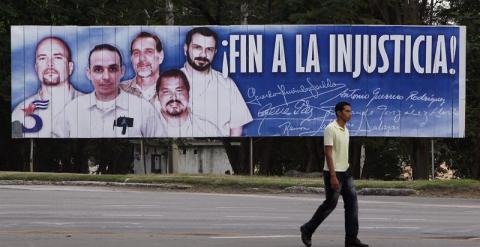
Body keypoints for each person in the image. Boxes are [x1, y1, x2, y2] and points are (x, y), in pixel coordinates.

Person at [53, 44, 163, 138]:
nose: (106, 77)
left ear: (122, 71)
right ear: (88, 73)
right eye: (98, 69)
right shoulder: (72, 110)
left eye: (112, 69)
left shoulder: (144, 110)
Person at [300, 102, 369, 247]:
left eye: (350, 111)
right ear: (339, 112)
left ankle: (351, 239)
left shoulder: (345, 129)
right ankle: (307, 229)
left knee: (352, 204)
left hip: (346, 172)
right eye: (347, 111)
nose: (350, 113)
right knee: (330, 204)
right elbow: (328, 153)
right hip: (334, 172)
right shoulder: (330, 129)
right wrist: (332, 176)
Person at [180, 27, 252, 136]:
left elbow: (237, 127)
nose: (203, 55)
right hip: (177, 147)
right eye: (197, 47)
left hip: (221, 148)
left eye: (209, 49)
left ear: (215, 52)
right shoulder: (168, 81)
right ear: (186, 48)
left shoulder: (227, 84)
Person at [12, 36, 80, 137]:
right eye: (42, 58)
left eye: (57, 57)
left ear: (70, 67)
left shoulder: (88, 105)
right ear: (36, 68)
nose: (50, 64)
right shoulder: (20, 112)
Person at [154, 69, 221, 137]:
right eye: (166, 92)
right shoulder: (148, 130)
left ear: (188, 93)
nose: (174, 97)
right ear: (157, 96)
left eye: (179, 90)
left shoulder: (209, 131)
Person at [121, 31, 164, 103]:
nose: (142, 58)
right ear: (131, 58)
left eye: (149, 52)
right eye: (136, 53)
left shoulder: (173, 90)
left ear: (161, 56)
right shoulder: (119, 91)